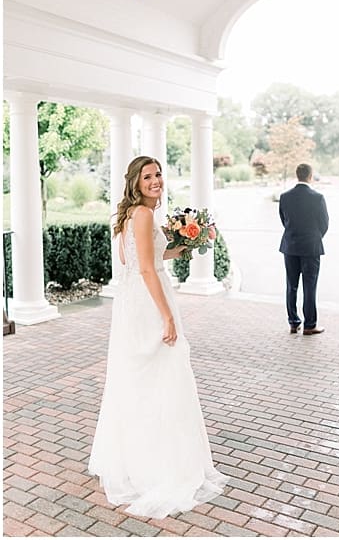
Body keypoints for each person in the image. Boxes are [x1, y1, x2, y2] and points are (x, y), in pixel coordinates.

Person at [88, 155, 228, 518]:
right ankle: (159, 465)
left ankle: (136, 458)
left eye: (159, 175)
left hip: (132, 301)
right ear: (135, 182)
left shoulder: (129, 215)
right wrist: (167, 315)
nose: (156, 181)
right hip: (149, 301)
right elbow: (148, 268)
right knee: (163, 375)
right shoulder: (144, 214)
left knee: (139, 378)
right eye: (148, 176)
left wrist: (181, 246)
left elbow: (141, 256)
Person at [278, 163, 329, 335]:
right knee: (310, 286)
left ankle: (293, 323)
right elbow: (324, 224)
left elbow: (284, 220)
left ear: (297, 175)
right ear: (310, 176)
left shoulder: (285, 197)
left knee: (291, 286)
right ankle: (310, 325)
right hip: (311, 247)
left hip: (290, 246)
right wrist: (314, 237)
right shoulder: (318, 197)